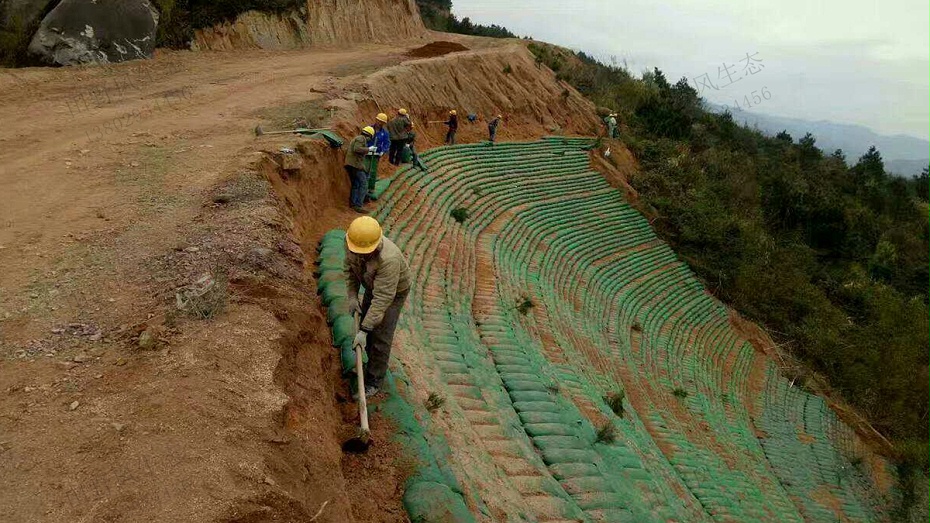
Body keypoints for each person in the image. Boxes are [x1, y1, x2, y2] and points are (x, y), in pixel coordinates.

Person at [344, 216, 411, 397]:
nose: (359, 254)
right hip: (372, 284)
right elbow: (349, 270)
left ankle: (374, 380)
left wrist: (364, 330)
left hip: (393, 292)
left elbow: (383, 298)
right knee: (368, 319)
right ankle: (367, 363)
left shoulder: (389, 259)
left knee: (380, 336)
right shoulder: (352, 242)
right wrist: (352, 296)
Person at [345, 126, 376, 213]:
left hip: (352, 165)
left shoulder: (360, 138)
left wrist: (368, 151)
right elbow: (356, 149)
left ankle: (353, 203)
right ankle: (358, 204)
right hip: (354, 165)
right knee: (364, 184)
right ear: (369, 135)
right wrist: (369, 149)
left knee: (356, 184)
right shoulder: (361, 139)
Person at [366, 113, 391, 202]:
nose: (380, 123)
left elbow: (387, 143)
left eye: (382, 122)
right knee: (365, 170)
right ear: (376, 120)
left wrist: (382, 151)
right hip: (366, 154)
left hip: (376, 155)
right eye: (379, 121)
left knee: (373, 171)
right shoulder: (369, 129)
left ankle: (371, 188)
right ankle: (364, 188)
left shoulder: (384, 133)